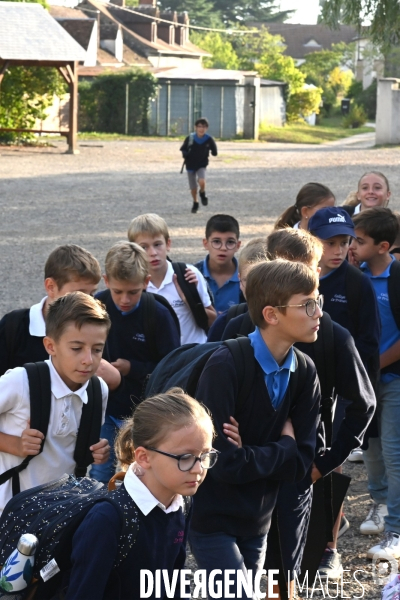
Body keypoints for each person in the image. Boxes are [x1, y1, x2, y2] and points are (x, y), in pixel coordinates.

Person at [221, 228, 376, 587]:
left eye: (307, 275)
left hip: (300, 468)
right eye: (284, 270)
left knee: (287, 568)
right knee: (236, 566)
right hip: (245, 466)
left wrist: (323, 464)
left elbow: (363, 404)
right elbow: (205, 397)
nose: (296, 282)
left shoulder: (332, 335)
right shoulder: (236, 326)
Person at [189, 259, 321, 599]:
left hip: (259, 521)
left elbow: (302, 465)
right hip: (212, 521)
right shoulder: (225, 365)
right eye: (307, 304)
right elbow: (222, 464)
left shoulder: (305, 371)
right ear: (272, 315)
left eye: (317, 300)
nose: (318, 311)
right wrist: (283, 448)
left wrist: (260, 452)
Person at [62, 388, 217, 600]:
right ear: (144, 457)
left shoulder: (183, 502)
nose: (199, 469)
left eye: (205, 455)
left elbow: (175, 579)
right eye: (186, 457)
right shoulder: (107, 518)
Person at [0, 292, 110, 514]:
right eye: (76, 348)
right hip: (7, 514)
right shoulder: (20, 381)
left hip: (60, 515)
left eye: (97, 349)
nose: (89, 359)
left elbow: (70, 454)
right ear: (50, 346)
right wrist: (13, 444)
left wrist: (94, 452)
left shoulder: (99, 391)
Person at [92, 241, 180, 483]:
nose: (124, 299)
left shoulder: (158, 315)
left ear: (146, 282)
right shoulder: (98, 307)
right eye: (117, 291)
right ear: (106, 280)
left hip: (143, 413)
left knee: (137, 476)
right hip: (105, 410)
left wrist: (132, 368)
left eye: (132, 292)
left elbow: (174, 367)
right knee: (99, 473)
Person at [0, 244, 120, 390]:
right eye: (79, 293)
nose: (87, 301)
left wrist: (115, 381)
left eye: (92, 294)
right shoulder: (14, 326)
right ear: (50, 286)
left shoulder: (91, 327)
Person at [351, 207, 400, 559]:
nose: (352, 246)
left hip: (392, 378)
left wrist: (373, 366)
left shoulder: (397, 277)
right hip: (363, 381)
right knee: (369, 447)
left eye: (359, 241)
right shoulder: (357, 276)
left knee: (394, 453)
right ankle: (380, 505)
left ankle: (396, 529)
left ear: (383, 246)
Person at [309, 207, 381, 384]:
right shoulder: (297, 277)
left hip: (344, 385)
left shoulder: (358, 283)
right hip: (304, 380)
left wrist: (344, 372)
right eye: (330, 243)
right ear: (311, 240)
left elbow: (369, 340)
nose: (339, 251)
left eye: (344, 242)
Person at [128, 213, 216, 344]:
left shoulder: (188, 274)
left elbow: (213, 321)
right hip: (161, 360)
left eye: (157, 244)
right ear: (134, 250)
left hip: (195, 355)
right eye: (144, 247)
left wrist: (190, 301)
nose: (153, 253)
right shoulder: (133, 284)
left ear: (168, 244)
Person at [207, 237, 268, 342]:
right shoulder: (225, 322)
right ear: (239, 280)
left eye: (265, 281)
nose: (256, 289)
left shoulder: (296, 325)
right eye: (248, 281)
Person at [194, 214, 244, 314]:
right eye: (216, 241)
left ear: (238, 245)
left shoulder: (246, 276)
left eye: (230, 242)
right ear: (205, 243)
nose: (223, 248)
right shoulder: (193, 274)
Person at [180, 117, 218, 214]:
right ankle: (195, 202)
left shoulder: (209, 139)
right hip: (190, 164)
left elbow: (214, 151)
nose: (201, 129)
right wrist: (185, 154)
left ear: (207, 128)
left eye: (204, 127)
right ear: (195, 127)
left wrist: (213, 151)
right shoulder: (190, 138)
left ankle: (202, 192)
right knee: (193, 187)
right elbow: (183, 148)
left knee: (202, 180)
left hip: (202, 164)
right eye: (199, 126)